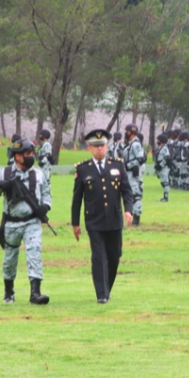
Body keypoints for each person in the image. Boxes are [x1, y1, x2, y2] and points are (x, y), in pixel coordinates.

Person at [71, 129, 134, 303]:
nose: (99, 149)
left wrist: (128, 210)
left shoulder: (117, 165)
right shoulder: (83, 169)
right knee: (99, 257)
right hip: (94, 221)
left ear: (107, 147)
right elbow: (77, 199)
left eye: (102, 145)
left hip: (114, 219)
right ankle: (102, 295)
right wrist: (75, 223)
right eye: (96, 146)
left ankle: (107, 288)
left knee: (114, 256)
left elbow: (127, 191)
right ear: (90, 148)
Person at [0, 140, 51, 305]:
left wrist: (45, 207)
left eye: (32, 153)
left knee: (34, 253)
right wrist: (0, 186)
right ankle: (8, 292)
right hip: (11, 223)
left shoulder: (39, 174)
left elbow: (47, 193)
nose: (31, 156)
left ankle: (35, 293)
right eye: (27, 154)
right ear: (17, 156)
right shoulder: (4, 173)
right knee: (10, 258)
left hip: (32, 222)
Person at [122, 124, 145, 226]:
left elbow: (140, 158)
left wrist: (128, 165)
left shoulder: (135, 144)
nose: (126, 133)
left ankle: (136, 218)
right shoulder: (130, 144)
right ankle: (131, 216)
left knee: (135, 196)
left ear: (130, 132)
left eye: (127, 131)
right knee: (130, 195)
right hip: (128, 174)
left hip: (133, 174)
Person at [154, 134, 171, 202]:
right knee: (163, 182)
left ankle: (165, 197)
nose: (157, 141)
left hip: (164, 168)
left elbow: (167, 158)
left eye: (158, 140)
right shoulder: (160, 148)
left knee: (166, 183)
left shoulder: (165, 148)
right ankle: (165, 196)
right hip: (161, 168)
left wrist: (161, 165)